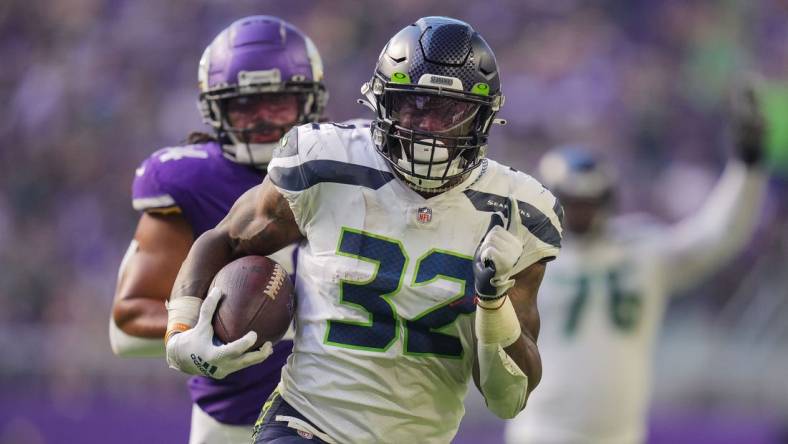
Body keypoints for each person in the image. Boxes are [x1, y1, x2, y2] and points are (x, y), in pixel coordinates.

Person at [163, 16, 564, 444]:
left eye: (448, 112)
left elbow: (507, 399)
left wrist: (493, 302)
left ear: (483, 118)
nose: (427, 130)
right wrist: (182, 328)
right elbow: (225, 239)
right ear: (381, 103)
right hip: (307, 422)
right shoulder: (324, 161)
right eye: (413, 106)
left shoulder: (519, 211)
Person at [505, 87, 768, 444]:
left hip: (621, 434)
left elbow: (716, 236)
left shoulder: (641, 250)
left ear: (608, 199)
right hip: (542, 432)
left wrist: (747, 168)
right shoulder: (524, 255)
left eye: (590, 201)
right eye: (573, 201)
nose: (582, 211)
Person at [109, 15, 327, 443]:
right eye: (245, 105)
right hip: (235, 424)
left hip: (349, 412)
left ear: (310, 101)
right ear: (215, 108)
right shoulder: (190, 180)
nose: (264, 119)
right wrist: (196, 328)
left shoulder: (347, 161)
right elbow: (128, 320)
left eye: (278, 102)